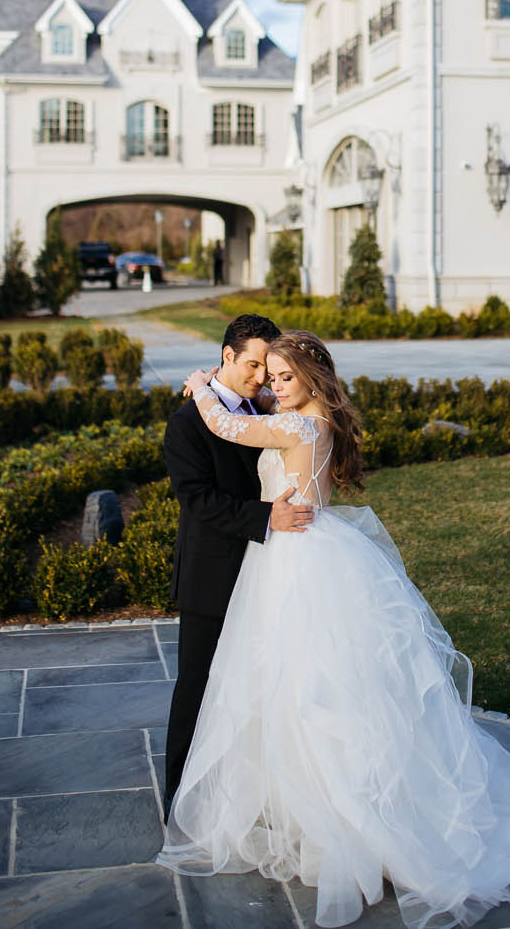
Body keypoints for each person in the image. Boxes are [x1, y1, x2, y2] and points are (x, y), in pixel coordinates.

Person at [158, 331, 510, 928]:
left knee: (306, 688)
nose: (272, 385)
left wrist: (199, 390)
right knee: (303, 685)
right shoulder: (310, 416)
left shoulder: (298, 425)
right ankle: (298, 806)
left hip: (296, 559)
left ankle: (340, 822)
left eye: (283, 375)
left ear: (313, 380)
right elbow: (250, 424)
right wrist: (254, 393)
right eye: (268, 375)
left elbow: (227, 428)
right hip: (304, 550)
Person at [160, 313, 309, 817]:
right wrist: (268, 516)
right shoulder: (186, 423)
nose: (261, 377)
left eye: (267, 368)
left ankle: (250, 795)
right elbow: (198, 500)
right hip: (212, 573)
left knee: (255, 685)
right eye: (252, 365)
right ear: (227, 356)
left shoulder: (263, 408)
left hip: (266, 572)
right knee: (197, 689)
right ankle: (179, 800)